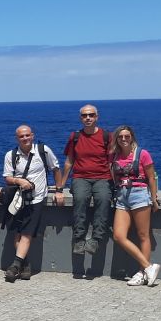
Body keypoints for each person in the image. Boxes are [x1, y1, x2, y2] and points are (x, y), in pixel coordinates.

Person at [1, 126, 62, 282]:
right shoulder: (11, 155)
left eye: (27, 135)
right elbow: (7, 177)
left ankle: (14, 266)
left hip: (36, 199)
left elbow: (56, 169)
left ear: (32, 136)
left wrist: (59, 190)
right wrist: (19, 181)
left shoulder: (43, 150)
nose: (25, 138)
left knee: (27, 234)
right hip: (18, 200)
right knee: (17, 234)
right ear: (17, 138)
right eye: (21, 136)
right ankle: (25, 265)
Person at [55, 104, 112, 257]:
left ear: (97, 117)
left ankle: (96, 239)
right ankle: (79, 238)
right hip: (80, 177)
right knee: (80, 199)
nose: (88, 118)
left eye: (91, 115)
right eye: (85, 115)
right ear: (80, 118)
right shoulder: (75, 137)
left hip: (102, 177)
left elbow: (112, 161)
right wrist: (60, 187)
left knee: (104, 199)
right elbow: (69, 162)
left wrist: (117, 182)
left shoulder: (107, 136)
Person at [109, 125, 161, 287]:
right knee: (118, 235)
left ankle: (141, 273)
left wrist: (154, 198)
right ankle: (148, 267)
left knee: (143, 235)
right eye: (120, 137)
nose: (124, 139)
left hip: (139, 194)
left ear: (132, 137)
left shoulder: (142, 154)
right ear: (116, 139)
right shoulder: (114, 155)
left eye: (127, 136)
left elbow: (151, 177)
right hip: (122, 196)